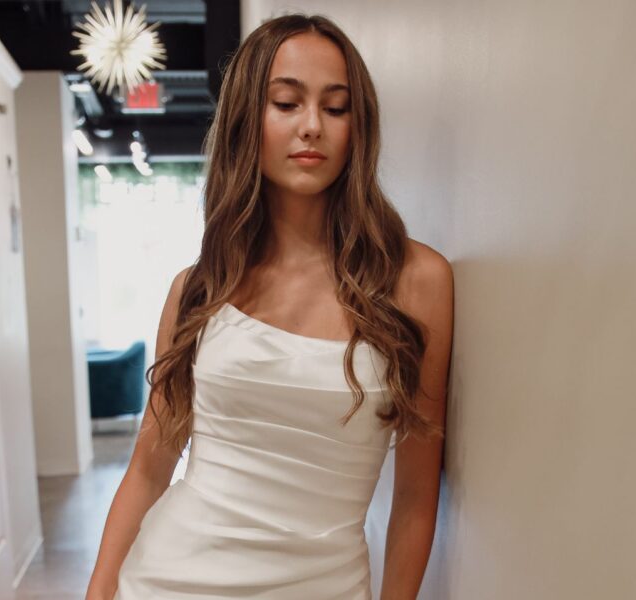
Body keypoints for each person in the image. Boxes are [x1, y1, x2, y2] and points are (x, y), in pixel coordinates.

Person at [85, 12, 453, 600]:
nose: (312, 126)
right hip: (166, 582)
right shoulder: (199, 288)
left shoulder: (416, 282)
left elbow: (415, 499)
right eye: (286, 103)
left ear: (358, 126)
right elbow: (149, 469)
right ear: (245, 120)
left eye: (336, 108)